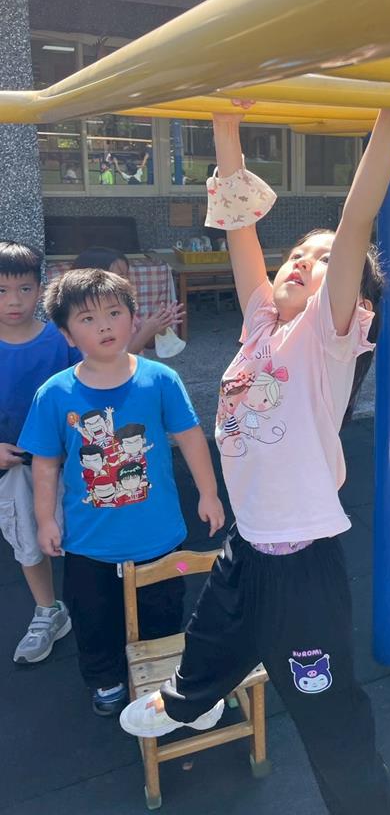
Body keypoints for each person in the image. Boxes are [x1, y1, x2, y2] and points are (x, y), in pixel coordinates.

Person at [119, 107, 390, 815]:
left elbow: (357, 219)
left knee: (327, 713)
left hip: (302, 565)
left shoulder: (326, 339)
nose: (303, 261)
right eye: (298, 253)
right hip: (249, 541)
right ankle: (192, 701)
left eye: (323, 261)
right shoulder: (260, 324)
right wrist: (226, 126)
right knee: (211, 633)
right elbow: (239, 224)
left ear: (352, 300)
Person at [18, 268, 225, 715]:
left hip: (158, 536)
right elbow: (46, 463)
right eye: (87, 319)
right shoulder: (54, 394)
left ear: (133, 318)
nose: (105, 326)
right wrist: (46, 519)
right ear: (66, 334)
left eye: (114, 313)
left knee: (163, 610)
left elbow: (191, 438)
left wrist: (208, 494)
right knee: (94, 617)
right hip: (89, 542)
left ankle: (161, 672)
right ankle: (106, 679)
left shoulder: (160, 379)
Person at [0, 241, 79, 665]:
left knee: (83, 533)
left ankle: (99, 602)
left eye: (24, 289)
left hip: (70, 462)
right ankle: (48, 610)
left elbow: (90, 384)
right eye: (1, 291)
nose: (14, 301)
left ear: (40, 287)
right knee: (27, 540)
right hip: (14, 468)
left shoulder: (59, 339)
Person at [72, 246, 184, 354]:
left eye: (125, 276)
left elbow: (148, 344)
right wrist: (146, 331)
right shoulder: (88, 318)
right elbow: (117, 360)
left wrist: (158, 326)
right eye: (118, 277)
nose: (125, 281)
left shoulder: (123, 307)